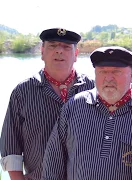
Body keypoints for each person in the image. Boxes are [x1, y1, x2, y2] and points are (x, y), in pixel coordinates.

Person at [0, 28, 95, 180]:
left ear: (76, 54)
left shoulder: (94, 89)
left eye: (66, 47)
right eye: (52, 45)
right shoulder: (23, 92)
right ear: (42, 52)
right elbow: (11, 145)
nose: (59, 51)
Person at [41, 46, 132, 180]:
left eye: (116, 72)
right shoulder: (74, 106)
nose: (109, 78)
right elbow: (53, 162)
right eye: (102, 72)